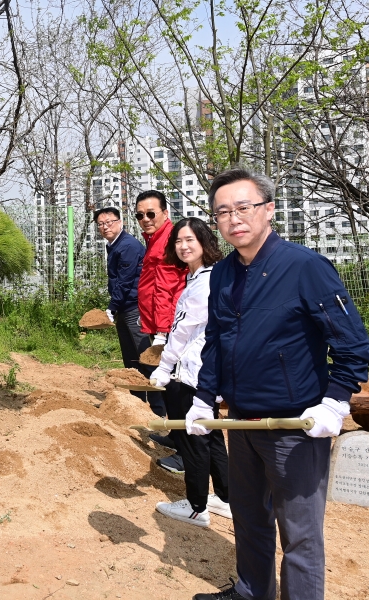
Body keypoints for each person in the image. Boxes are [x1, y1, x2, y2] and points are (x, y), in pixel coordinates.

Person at [189, 168, 369, 600]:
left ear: (269, 210)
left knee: (300, 534)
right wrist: (203, 398)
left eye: (243, 207)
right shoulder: (223, 274)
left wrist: (335, 402)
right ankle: (253, 591)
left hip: (295, 424)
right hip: (241, 422)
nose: (234, 219)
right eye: (222, 212)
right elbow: (216, 341)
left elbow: (352, 345)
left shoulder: (305, 267)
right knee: (249, 517)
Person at [148, 217, 230, 527]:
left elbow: (181, 331)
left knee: (192, 439)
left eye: (190, 240)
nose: (183, 246)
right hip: (205, 371)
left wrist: (165, 367)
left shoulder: (203, 283)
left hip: (190, 371)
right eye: (178, 241)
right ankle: (225, 498)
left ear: (205, 243)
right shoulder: (206, 277)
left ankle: (197, 507)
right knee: (212, 435)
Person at [135, 190, 188, 470]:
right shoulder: (154, 239)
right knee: (168, 385)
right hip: (160, 325)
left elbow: (167, 290)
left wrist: (163, 332)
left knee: (177, 385)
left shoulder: (167, 240)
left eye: (151, 213)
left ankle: (184, 452)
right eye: (140, 215)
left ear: (165, 214)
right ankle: (176, 434)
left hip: (171, 331)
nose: (145, 219)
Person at [95, 206, 149, 384]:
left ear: (120, 222)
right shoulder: (114, 245)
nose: (105, 227)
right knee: (130, 358)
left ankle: (158, 407)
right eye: (101, 224)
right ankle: (135, 400)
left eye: (109, 222)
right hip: (124, 307)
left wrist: (111, 307)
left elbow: (125, 281)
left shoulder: (127, 246)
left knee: (143, 355)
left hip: (135, 307)